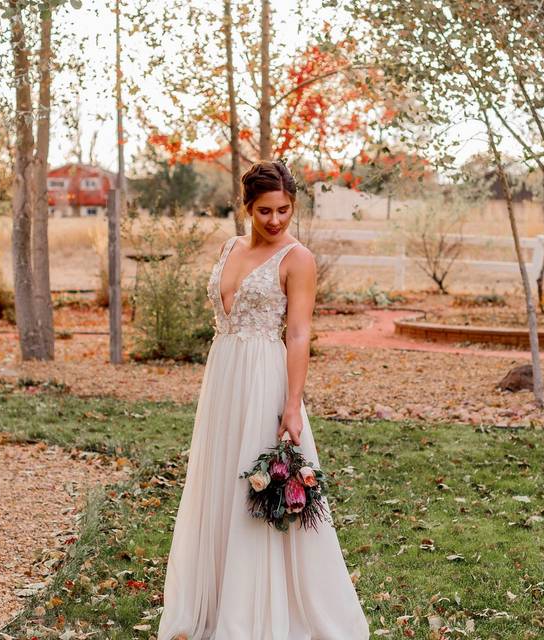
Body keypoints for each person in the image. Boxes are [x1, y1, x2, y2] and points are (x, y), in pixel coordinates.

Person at [157, 160, 370, 639]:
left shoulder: (298, 259)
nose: (275, 220)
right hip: (224, 376)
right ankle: (212, 602)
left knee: (256, 486)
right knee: (218, 482)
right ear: (246, 207)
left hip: (265, 379)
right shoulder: (231, 246)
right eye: (265, 211)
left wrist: (292, 404)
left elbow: (297, 334)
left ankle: (255, 613)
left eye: (285, 210)